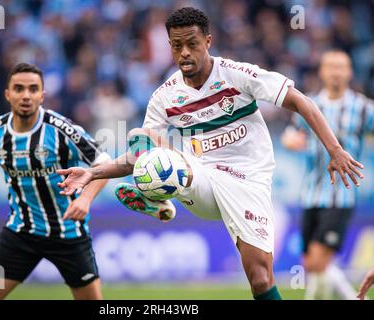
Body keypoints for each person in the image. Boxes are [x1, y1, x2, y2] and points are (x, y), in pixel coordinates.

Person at [56, 7, 364, 300]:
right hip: (202, 176)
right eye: (176, 46)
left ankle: (160, 199)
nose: (184, 53)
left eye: (191, 44)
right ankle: (156, 195)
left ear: (207, 41)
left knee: (260, 277)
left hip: (249, 181)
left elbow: (302, 102)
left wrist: (335, 150)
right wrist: (93, 173)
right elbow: (137, 155)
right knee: (142, 141)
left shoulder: (237, 74)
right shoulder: (165, 96)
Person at [0, 63, 110, 300]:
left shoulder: (61, 129)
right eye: (19, 89)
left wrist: (85, 199)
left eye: (33, 89)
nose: (26, 95)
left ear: (42, 95)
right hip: (21, 231)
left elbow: (103, 161)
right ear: (7, 94)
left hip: (68, 232)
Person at [282, 50, 374, 299]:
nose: (335, 72)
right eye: (330, 67)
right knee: (312, 264)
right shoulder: (309, 104)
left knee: (319, 263)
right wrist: (291, 140)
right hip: (310, 193)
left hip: (341, 196)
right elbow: (290, 133)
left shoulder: (363, 108)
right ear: (322, 72)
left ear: (349, 72)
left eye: (341, 67)